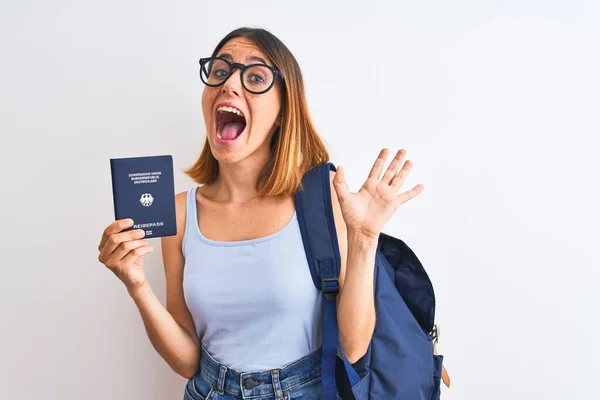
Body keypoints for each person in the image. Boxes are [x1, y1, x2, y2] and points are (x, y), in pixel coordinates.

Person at [97, 27, 424, 400]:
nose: (229, 84)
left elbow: (352, 348)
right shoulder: (179, 214)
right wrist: (136, 285)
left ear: (284, 112)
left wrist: (365, 239)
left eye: (255, 77)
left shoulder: (323, 200)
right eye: (220, 71)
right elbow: (187, 360)